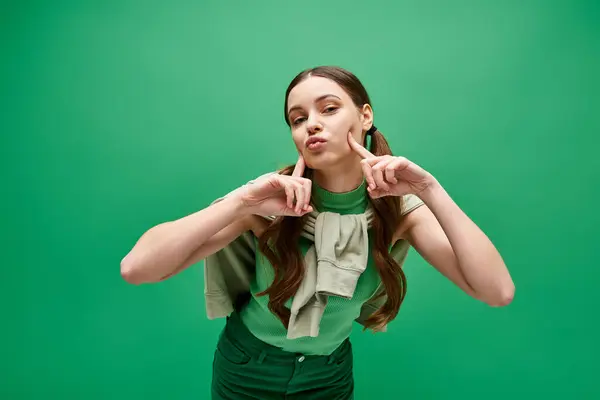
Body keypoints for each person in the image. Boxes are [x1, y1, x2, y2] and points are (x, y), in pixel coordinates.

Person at [120, 66, 515, 399]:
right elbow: (138, 269)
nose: (312, 123)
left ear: (364, 117)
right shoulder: (272, 199)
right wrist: (241, 203)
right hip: (247, 367)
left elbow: (496, 291)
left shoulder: (398, 211)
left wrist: (430, 189)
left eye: (328, 108)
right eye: (298, 118)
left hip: (329, 373)